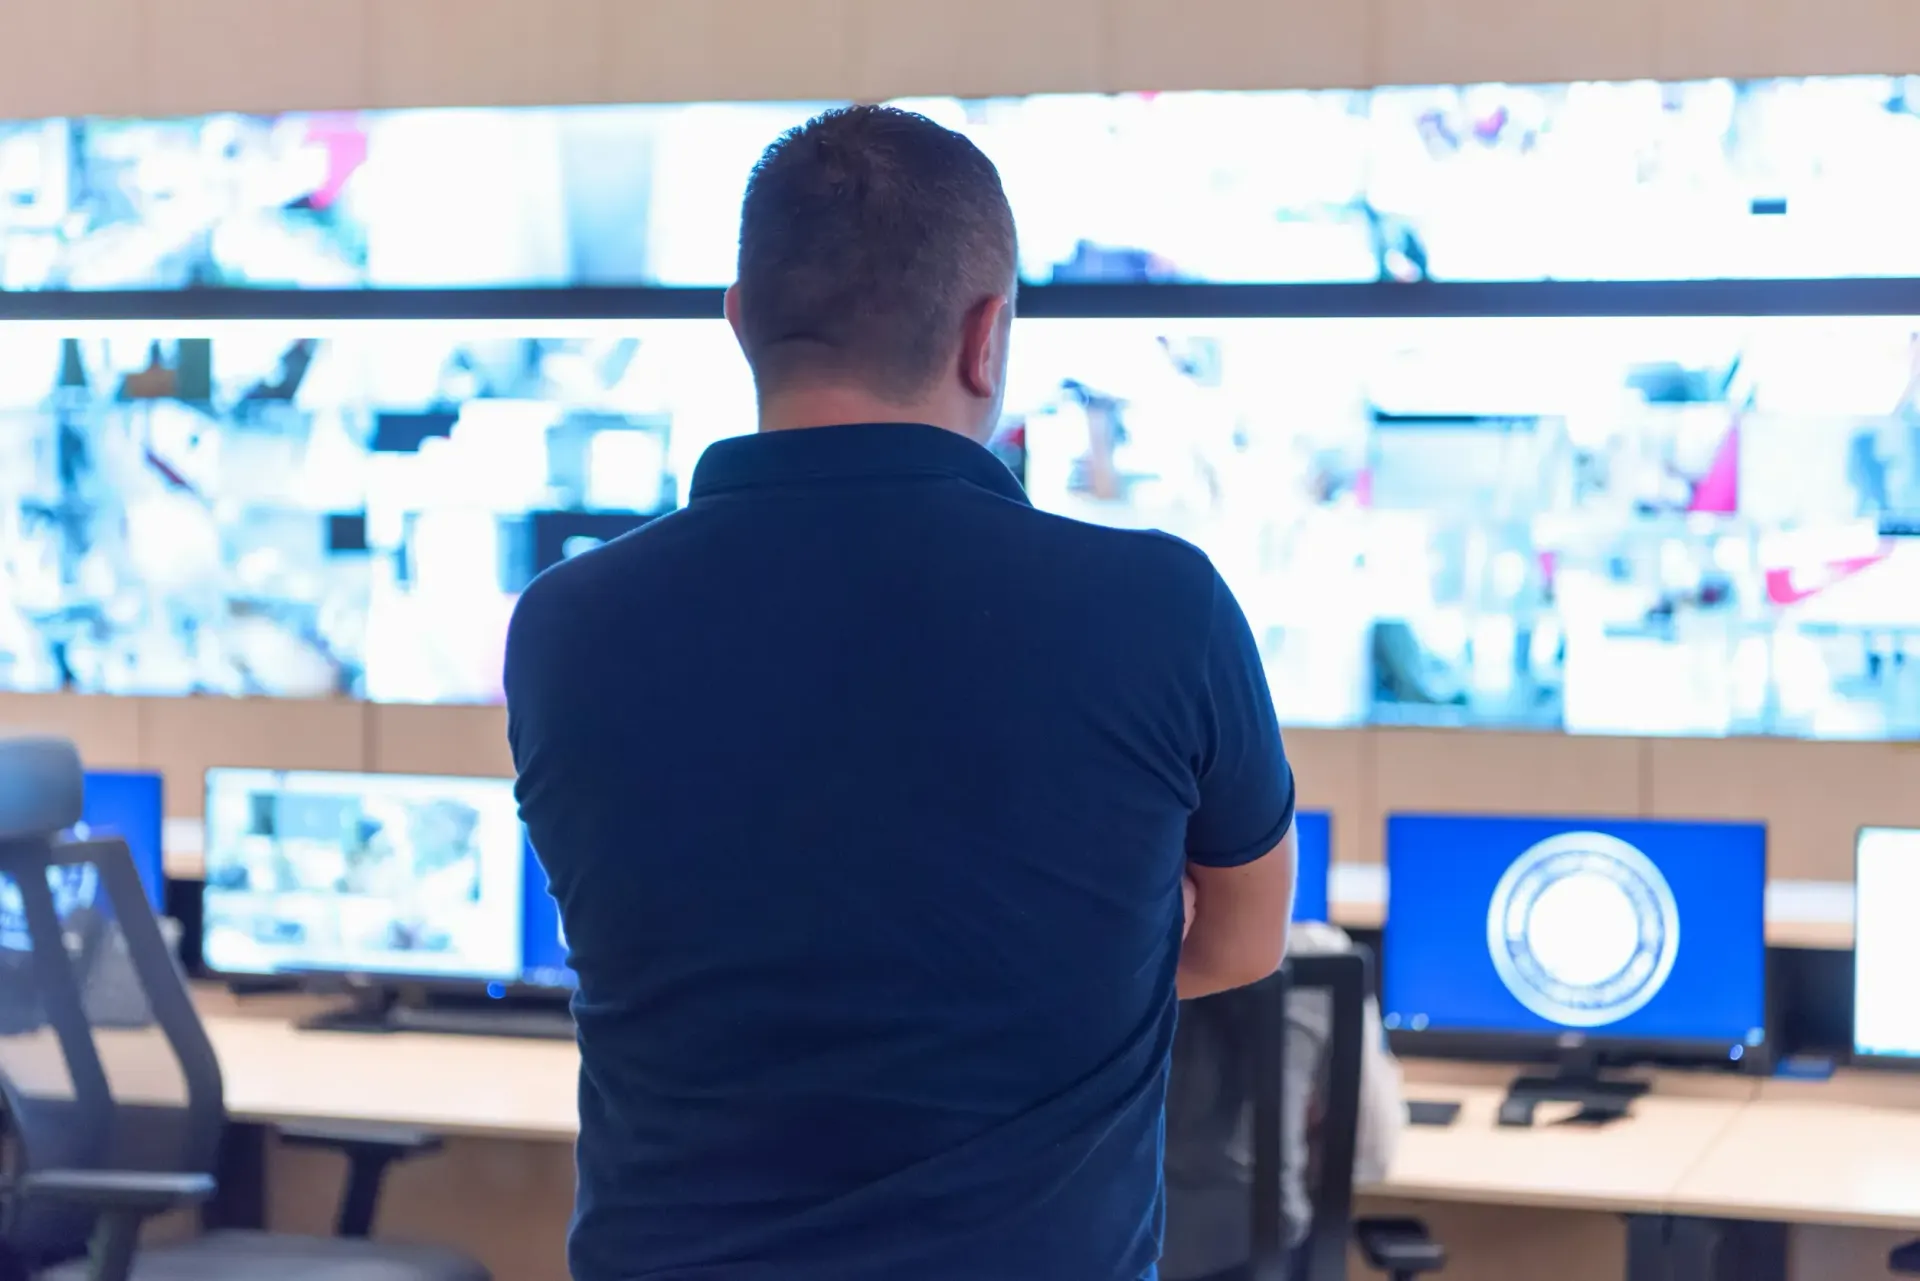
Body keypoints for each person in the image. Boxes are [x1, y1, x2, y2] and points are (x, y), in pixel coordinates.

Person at [504, 105, 1297, 1281]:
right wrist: (1069, 959)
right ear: (988, 338)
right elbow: (1242, 940)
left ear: (740, 325)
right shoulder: (1159, 609)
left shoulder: (564, 626)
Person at [1161, 924, 1405, 1281]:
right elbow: (1371, 1155)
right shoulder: (1320, 954)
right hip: (1257, 1262)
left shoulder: (1109, 951)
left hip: (1119, 1257)